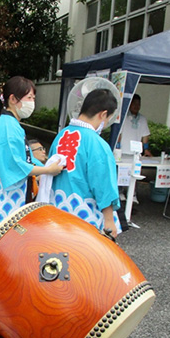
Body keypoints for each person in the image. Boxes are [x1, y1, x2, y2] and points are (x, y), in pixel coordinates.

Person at [0, 76, 64, 315]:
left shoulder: (10, 124)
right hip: (0, 195)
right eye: (30, 97)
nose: (33, 102)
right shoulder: (6, 126)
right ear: (13, 99)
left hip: (3, 195)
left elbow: (21, 160)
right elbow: (14, 165)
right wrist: (47, 170)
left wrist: (40, 166)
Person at [49, 88, 121, 238]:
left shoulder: (61, 136)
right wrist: (109, 220)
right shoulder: (98, 144)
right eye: (108, 118)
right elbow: (104, 185)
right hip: (85, 217)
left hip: (56, 211)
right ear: (103, 114)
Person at [116, 94, 151, 204]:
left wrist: (146, 149)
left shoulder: (142, 119)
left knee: (134, 174)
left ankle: (133, 194)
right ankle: (120, 192)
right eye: (134, 103)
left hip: (136, 153)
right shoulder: (123, 117)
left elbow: (145, 135)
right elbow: (119, 134)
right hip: (123, 151)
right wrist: (117, 148)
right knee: (121, 174)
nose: (136, 106)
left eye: (138, 104)